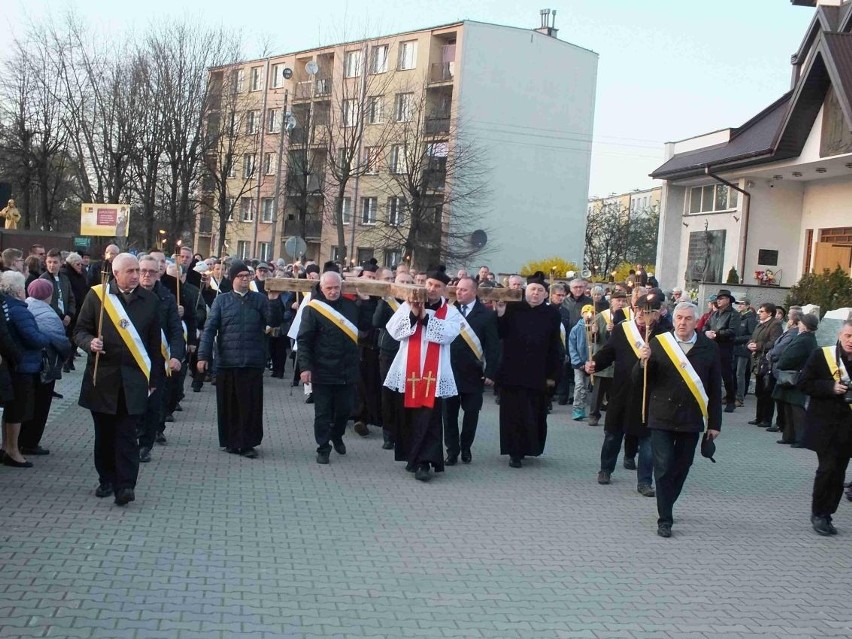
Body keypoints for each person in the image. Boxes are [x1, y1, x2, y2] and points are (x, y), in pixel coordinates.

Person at [75, 253, 163, 505]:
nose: (136, 275)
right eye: (131, 271)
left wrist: (154, 378)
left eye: (138, 270)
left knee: (126, 434)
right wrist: (89, 342)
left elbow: (154, 343)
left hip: (134, 379)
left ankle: (126, 485)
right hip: (102, 378)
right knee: (104, 434)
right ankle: (107, 479)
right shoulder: (97, 296)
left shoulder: (150, 300)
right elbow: (79, 330)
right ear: (116, 274)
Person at [638, 301, 722, 538]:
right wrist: (642, 361)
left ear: (696, 322)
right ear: (673, 320)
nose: (683, 322)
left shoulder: (708, 347)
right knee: (663, 467)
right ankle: (665, 518)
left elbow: (715, 387)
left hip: (691, 417)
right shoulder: (659, 343)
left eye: (687, 318)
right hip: (662, 416)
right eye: (679, 318)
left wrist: (715, 423)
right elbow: (641, 381)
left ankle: (668, 501)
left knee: (682, 466)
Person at [383, 266, 461, 481]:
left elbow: (448, 335)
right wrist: (413, 313)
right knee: (409, 416)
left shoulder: (451, 312)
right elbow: (394, 331)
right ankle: (412, 457)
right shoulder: (409, 304)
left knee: (429, 419)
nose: (432, 289)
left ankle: (425, 462)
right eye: (429, 284)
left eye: (438, 286)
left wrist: (426, 318)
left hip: (433, 376)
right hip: (408, 370)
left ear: (445, 290)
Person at [587, 289, 668, 496]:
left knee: (647, 441)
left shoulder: (665, 335)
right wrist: (594, 363)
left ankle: (644, 482)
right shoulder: (623, 330)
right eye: (639, 309)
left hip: (649, 395)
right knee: (613, 435)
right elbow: (609, 352)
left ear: (657, 314)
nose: (642, 314)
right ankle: (605, 469)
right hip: (622, 392)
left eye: (648, 311)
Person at [197, 261, 282, 459]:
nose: (245, 279)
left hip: (252, 361)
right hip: (228, 361)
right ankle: (230, 441)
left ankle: (247, 443)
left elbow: (273, 321)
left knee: (250, 405)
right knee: (229, 405)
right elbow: (210, 329)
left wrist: (274, 301)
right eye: (240, 276)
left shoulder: (260, 300)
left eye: (247, 275)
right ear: (232, 278)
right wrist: (203, 355)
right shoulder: (222, 301)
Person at [297, 271, 372, 464]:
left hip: (347, 369)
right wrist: (305, 367)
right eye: (328, 288)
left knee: (344, 411)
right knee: (322, 412)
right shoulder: (313, 309)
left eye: (336, 288)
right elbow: (304, 340)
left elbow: (366, 326)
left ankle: (337, 435)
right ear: (321, 288)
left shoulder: (350, 306)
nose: (332, 291)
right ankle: (323, 447)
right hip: (322, 369)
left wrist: (365, 303)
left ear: (341, 287)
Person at [496, 272, 562, 468]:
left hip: (537, 373)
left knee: (533, 414)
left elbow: (554, 346)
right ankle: (514, 452)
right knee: (512, 414)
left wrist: (553, 375)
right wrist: (499, 314)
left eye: (540, 291)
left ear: (545, 294)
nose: (536, 293)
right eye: (533, 289)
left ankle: (528, 448)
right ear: (526, 290)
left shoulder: (552, 314)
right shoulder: (513, 308)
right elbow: (500, 333)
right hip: (512, 371)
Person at [798, 320, 852, 536]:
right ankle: (818, 513)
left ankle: (828, 513)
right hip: (826, 425)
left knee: (839, 473)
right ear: (840, 335)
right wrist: (830, 387)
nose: (851, 341)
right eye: (848, 336)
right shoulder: (823, 355)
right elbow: (803, 383)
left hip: (849, 429)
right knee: (827, 469)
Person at [443, 276, 499, 465]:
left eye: (464, 290)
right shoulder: (449, 311)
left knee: (471, 413)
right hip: (449, 371)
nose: (459, 292)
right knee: (449, 414)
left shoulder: (487, 314)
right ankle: (452, 451)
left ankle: (466, 447)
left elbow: (493, 346)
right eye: (458, 289)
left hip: (473, 373)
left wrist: (491, 372)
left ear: (474, 292)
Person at [0, 272, 51, 468]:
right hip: (21, 364)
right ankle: (13, 450)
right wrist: (46, 339)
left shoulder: (8, 305)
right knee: (18, 409)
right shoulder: (19, 310)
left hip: (14, 363)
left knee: (12, 409)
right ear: (19, 290)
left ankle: (6, 447)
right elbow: (32, 337)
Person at [136, 255, 184, 463]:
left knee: (153, 404)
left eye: (152, 272)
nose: (147, 275)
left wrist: (175, 356)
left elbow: (175, 330)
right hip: (133, 358)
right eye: (143, 271)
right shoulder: (126, 297)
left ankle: (145, 444)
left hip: (157, 361)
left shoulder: (166, 298)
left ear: (159, 274)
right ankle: (132, 440)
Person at [19, 279, 73, 456]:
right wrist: (67, 355)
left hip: (25, 366)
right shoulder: (49, 315)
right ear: (49, 294)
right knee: (40, 406)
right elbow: (61, 341)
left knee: (26, 404)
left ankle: (18, 440)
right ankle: (30, 442)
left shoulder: (25, 306)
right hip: (44, 366)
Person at [374, 270, 413, 450]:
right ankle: (388, 434)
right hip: (389, 351)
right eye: (400, 281)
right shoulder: (388, 302)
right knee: (388, 394)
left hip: (410, 352)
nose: (404, 284)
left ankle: (404, 431)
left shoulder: (416, 303)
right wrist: (384, 300)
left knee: (406, 395)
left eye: (408, 281)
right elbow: (376, 322)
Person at [773, 312, 817, 447]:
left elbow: (791, 356)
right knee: (788, 409)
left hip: (796, 377)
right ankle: (789, 435)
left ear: (805, 325)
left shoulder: (805, 339)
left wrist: (780, 363)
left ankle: (800, 438)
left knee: (797, 410)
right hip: (792, 377)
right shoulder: (805, 337)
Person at [588, 290, 629, 427]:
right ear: (611, 301)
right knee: (598, 391)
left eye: (623, 301)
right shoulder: (601, 317)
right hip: (604, 359)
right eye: (618, 300)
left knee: (616, 394)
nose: (621, 303)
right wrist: (594, 332)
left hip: (620, 361)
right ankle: (594, 414)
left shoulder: (629, 318)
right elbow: (593, 339)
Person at [702, 289, 740, 413]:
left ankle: (730, 400)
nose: (718, 300)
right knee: (711, 374)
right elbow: (705, 325)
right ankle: (711, 399)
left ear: (728, 300)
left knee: (726, 375)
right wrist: (707, 332)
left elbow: (733, 331)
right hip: (712, 346)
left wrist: (717, 334)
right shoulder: (715, 313)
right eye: (717, 299)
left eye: (721, 298)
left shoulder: (733, 314)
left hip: (725, 347)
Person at [747, 303, 783, 429]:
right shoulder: (759, 323)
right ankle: (759, 417)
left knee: (767, 391)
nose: (759, 313)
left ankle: (766, 419)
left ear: (769, 313)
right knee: (759, 390)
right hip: (758, 360)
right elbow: (753, 337)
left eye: (762, 311)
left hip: (767, 362)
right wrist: (750, 344)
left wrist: (758, 345)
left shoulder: (775, 325)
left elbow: (774, 343)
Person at [568, 304, 596, 421]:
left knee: (586, 386)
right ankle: (577, 408)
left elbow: (596, 344)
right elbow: (572, 347)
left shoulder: (595, 327)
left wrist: (595, 333)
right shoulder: (576, 329)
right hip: (579, 363)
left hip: (591, 362)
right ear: (582, 314)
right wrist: (578, 362)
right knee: (579, 385)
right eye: (586, 312)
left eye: (592, 313)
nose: (589, 315)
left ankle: (583, 407)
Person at [733, 298, 757, 407]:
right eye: (738, 304)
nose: (739, 306)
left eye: (742, 304)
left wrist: (738, 339)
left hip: (743, 349)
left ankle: (740, 397)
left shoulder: (750, 318)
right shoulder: (739, 316)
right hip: (735, 348)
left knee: (740, 374)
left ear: (747, 306)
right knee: (733, 372)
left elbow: (752, 335)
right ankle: (732, 395)